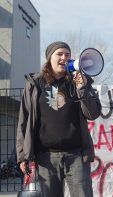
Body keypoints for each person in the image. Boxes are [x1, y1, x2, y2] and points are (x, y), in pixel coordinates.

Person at [16, 41, 101, 197]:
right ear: (49, 58)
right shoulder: (35, 84)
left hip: (76, 156)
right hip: (45, 157)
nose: (64, 58)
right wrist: (23, 155)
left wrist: (82, 89)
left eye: (67, 55)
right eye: (59, 54)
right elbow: (24, 120)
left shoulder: (78, 82)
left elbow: (93, 113)